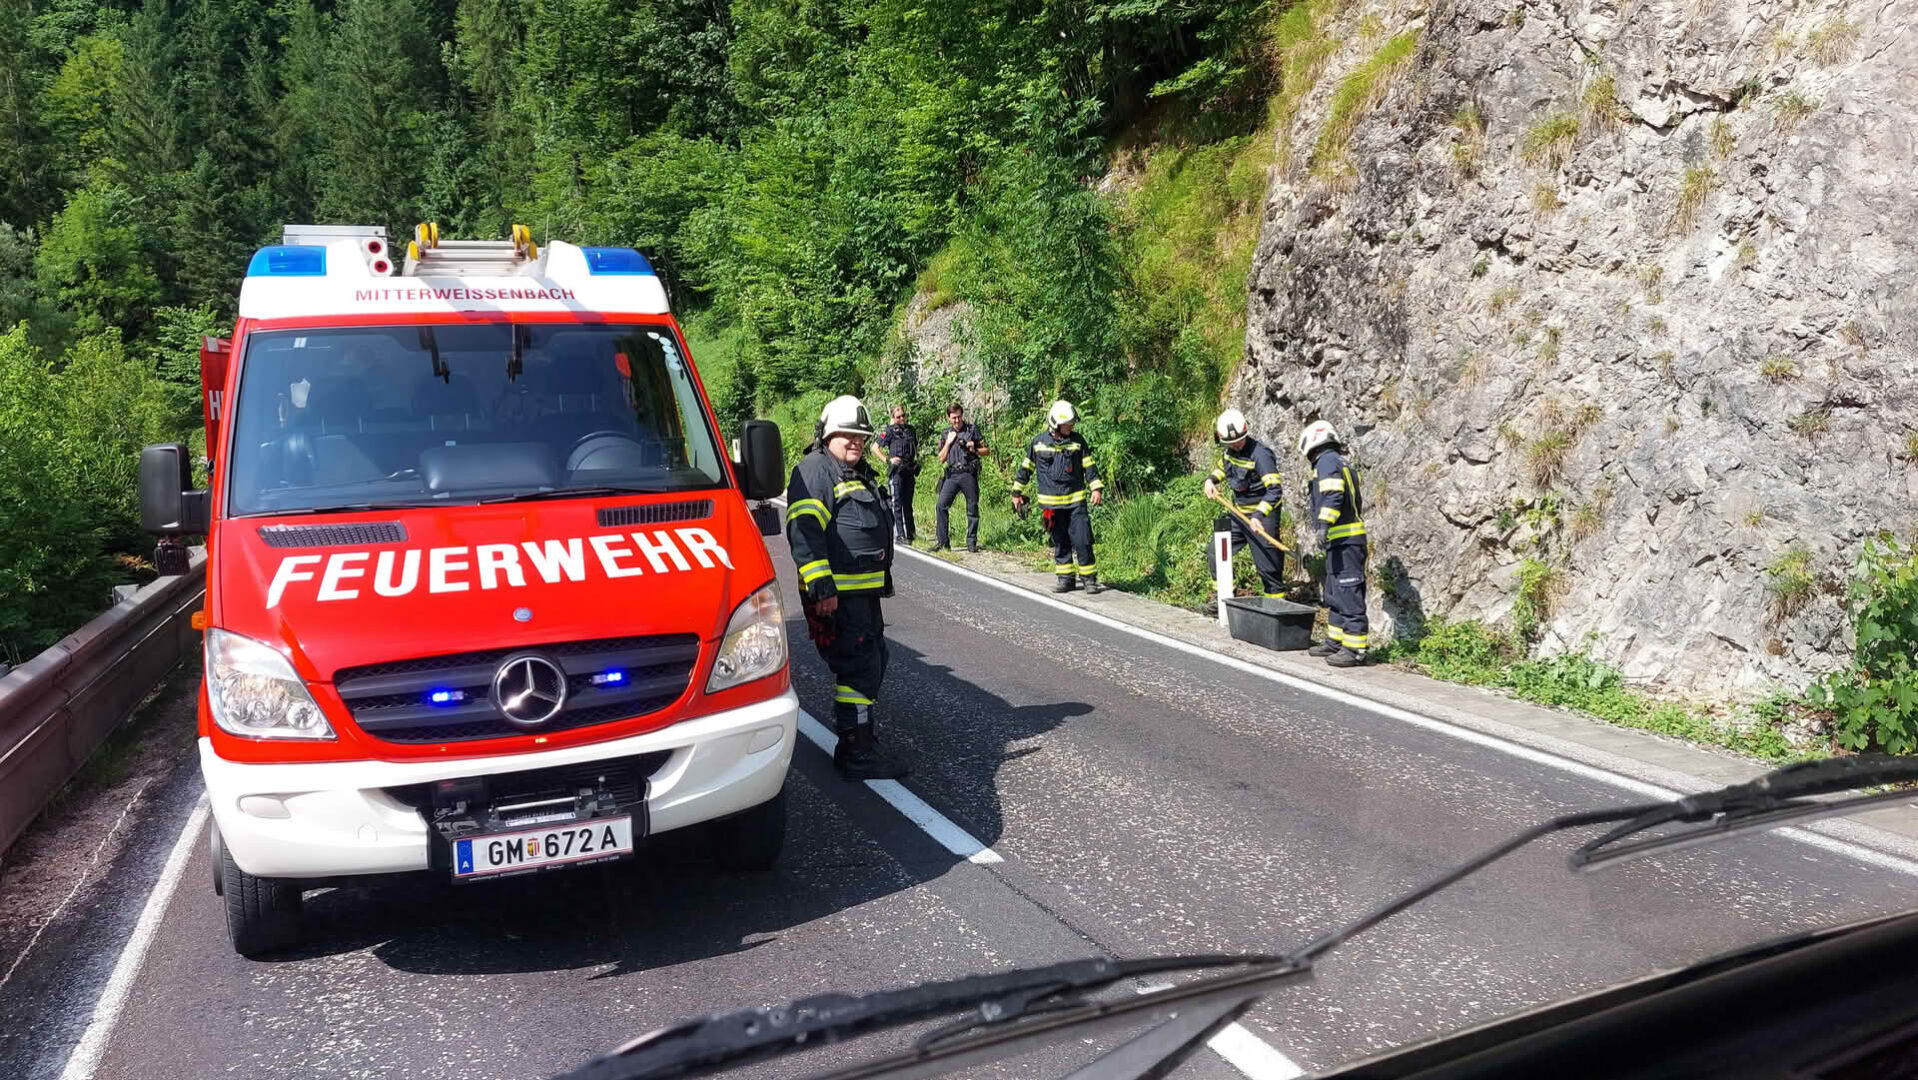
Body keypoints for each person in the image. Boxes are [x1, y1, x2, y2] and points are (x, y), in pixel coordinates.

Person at [785, 395, 909, 779]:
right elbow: (804, 532)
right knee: (857, 667)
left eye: (860, 435)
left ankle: (860, 740)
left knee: (873, 661)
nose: (855, 441)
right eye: (846, 435)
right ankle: (856, 753)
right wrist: (821, 588)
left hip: (862, 594)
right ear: (827, 434)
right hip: (838, 595)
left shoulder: (856, 472)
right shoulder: (815, 471)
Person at [1012, 400, 1105, 594]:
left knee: (1083, 540)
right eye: (1067, 425)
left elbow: (1089, 465)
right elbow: (1026, 468)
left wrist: (1096, 488)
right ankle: (1066, 579)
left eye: (1072, 425)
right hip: (1051, 506)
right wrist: (1016, 493)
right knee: (1060, 542)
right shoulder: (1038, 443)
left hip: (1075, 502)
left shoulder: (1078, 441)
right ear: (1055, 424)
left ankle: (1089, 580)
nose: (1071, 427)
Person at [1299, 419, 1369, 668]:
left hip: (1346, 539)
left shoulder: (1327, 461)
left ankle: (1354, 648)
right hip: (1341, 541)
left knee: (1348, 592)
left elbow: (1333, 494)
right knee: (1335, 591)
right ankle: (1336, 640)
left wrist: (1323, 525)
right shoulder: (1339, 461)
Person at [1203, 408, 1287, 599]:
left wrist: (1258, 516)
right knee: (1216, 551)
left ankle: (1276, 608)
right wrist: (1211, 480)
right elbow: (1223, 469)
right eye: (1231, 443)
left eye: (1239, 441)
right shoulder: (1229, 451)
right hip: (1239, 515)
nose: (1237, 445)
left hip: (1262, 517)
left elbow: (1275, 490)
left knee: (1269, 568)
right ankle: (1223, 599)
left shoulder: (1261, 455)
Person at [931, 402, 989, 553]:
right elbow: (941, 458)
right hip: (952, 474)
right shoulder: (945, 433)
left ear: (962, 415)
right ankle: (943, 543)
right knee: (941, 505)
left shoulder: (972, 430)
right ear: (948, 418)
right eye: (953, 418)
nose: (956, 421)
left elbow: (987, 450)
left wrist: (974, 448)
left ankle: (971, 543)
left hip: (968, 473)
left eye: (958, 417)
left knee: (972, 508)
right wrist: (949, 443)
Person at [874, 405, 920, 544]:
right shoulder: (889, 432)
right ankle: (900, 535)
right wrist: (888, 460)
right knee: (897, 503)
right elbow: (875, 448)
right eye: (898, 416)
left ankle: (911, 533)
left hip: (909, 470)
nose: (901, 418)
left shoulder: (911, 430)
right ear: (893, 418)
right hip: (897, 471)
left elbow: (915, 448)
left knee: (908, 503)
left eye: (903, 415)